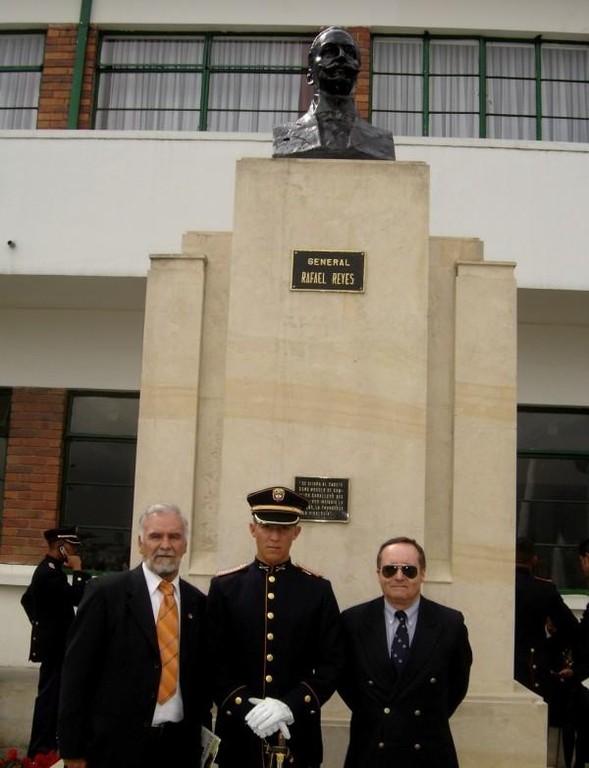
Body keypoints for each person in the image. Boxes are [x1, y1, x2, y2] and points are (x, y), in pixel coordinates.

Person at [57, 503, 211, 768]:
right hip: (115, 749)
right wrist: (72, 750)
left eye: (174, 536)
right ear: (140, 543)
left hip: (178, 749)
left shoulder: (198, 603)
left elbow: (201, 681)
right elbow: (76, 675)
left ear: (185, 545)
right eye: (155, 536)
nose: (165, 545)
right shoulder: (105, 594)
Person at [207, 485, 343, 768]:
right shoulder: (226, 588)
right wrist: (244, 707)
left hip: (297, 732)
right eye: (266, 526)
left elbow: (332, 663)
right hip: (239, 732)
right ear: (252, 528)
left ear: (297, 532)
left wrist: (290, 706)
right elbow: (212, 661)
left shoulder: (317, 590)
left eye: (284, 528)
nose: (274, 536)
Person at [338, 536, 472, 768]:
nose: (399, 577)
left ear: (422, 573)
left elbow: (457, 685)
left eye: (409, 570)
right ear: (378, 573)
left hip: (429, 751)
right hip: (371, 749)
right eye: (390, 570)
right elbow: (345, 682)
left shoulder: (449, 624)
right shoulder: (353, 622)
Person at [20, 526, 91, 758]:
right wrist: (79, 570)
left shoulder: (51, 570)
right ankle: (41, 750)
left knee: (54, 695)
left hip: (56, 643)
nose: (73, 550)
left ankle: (46, 747)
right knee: (50, 698)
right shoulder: (49, 572)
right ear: (60, 545)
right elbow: (77, 598)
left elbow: (26, 600)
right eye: (71, 546)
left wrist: (42, 624)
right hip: (55, 645)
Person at [272, 26, 395, 160]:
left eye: (349, 53)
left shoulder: (381, 140)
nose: (342, 57)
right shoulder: (286, 135)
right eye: (330, 52)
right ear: (310, 74)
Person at [513, 537, 579, 700]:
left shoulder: (496, 586)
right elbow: (571, 628)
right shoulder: (543, 589)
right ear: (534, 559)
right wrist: (547, 647)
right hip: (532, 664)